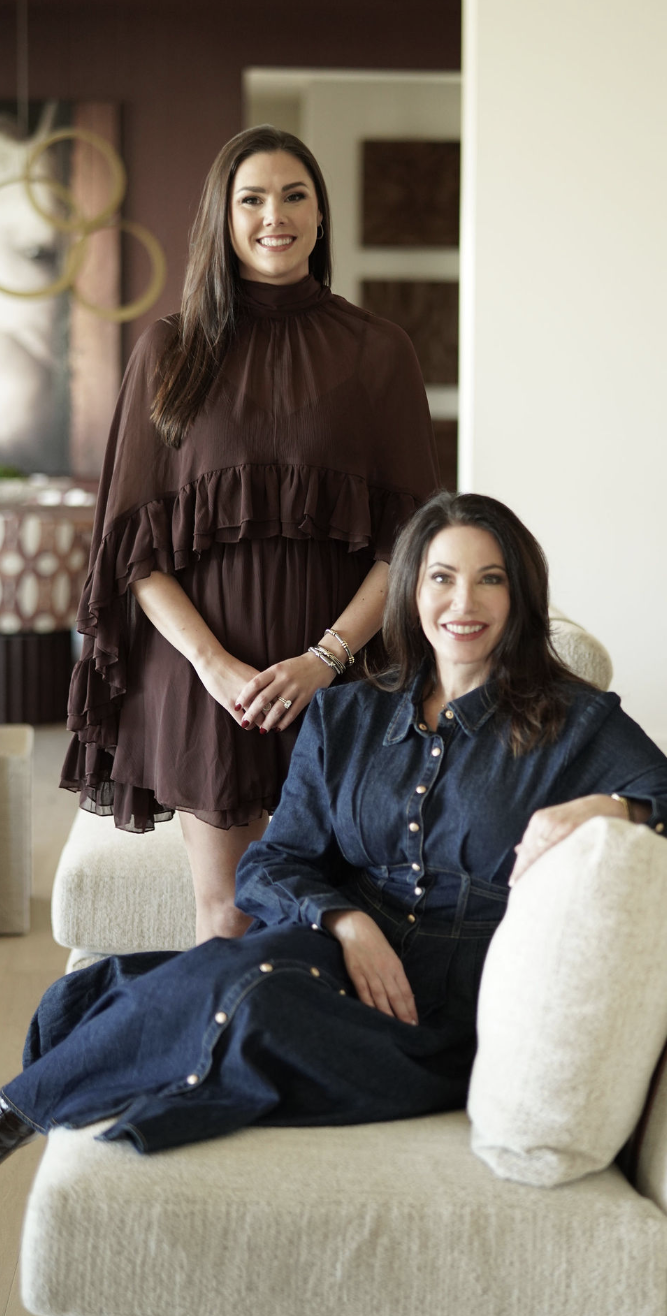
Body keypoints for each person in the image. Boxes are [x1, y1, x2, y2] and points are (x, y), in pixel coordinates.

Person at [0, 492, 667, 1212]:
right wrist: (344, 921)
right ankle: (15, 1116)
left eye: (490, 579)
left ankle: (6, 1120)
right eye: (441, 577)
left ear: (520, 595)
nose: (465, 602)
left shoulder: (574, 722)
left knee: (236, 1002)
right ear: (411, 592)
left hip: (445, 1022)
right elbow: (271, 864)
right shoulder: (348, 713)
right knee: (171, 985)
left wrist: (605, 806)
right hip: (327, 959)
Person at [60, 125, 440, 940]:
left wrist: (324, 659)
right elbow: (133, 551)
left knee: (336, 915)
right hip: (205, 684)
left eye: (295, 196)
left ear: (321, 215)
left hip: (341, 682)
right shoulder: (169, 351)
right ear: (223, 217)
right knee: (228, 912)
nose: (276, 216)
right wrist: (215, 668)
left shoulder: (380, 353)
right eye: (253, 199)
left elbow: (409, 545)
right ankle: (226, 1033)